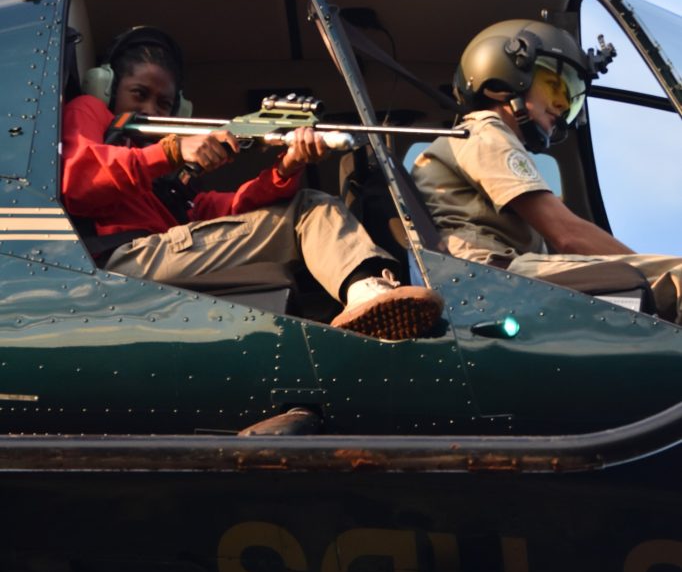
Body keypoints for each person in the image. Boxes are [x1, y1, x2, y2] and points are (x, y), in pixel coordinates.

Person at [62, 26, 443, 339]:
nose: (151, 110)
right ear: (108, 88)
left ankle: (368, 300)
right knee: (308, 211)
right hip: (121, 261)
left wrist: (287, 167)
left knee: (307, 203)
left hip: (160, 254)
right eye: (139, 95)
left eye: (163, 104)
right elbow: (77, 181)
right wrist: (172, 151)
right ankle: (367, 292)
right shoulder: (91, 111)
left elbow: (223, 211)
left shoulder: (162, 177)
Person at [412, 18, 682, 325]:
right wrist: (653, 275)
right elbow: (566, 234)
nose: (563, 104)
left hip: (494, 277)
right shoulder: (485, 131)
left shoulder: (485, 138)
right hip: (490, 277)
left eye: (571, 96)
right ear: (503, 79)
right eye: (554, 85)